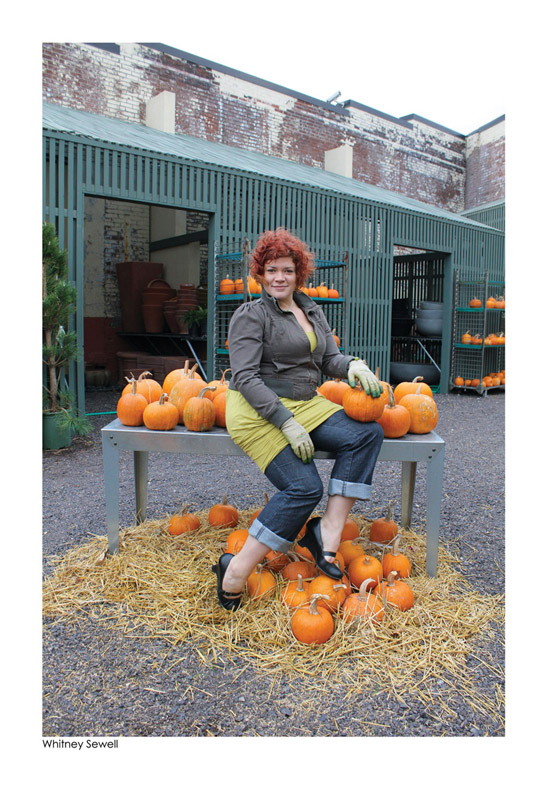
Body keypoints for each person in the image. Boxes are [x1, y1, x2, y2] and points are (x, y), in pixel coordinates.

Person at [211, 228, 384, 610]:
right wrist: (285, 422)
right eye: (271, 270)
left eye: (287, 270)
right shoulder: (251, 315)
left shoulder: (310, 310)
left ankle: (327, 533)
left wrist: (351, 366)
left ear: (298, 273)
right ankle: (235, 570)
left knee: (367, 434)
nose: (279, 277)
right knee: (304, 488)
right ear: (260, 273)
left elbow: (328, 359)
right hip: (259, 409)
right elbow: (245, 377)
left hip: (307, 402)